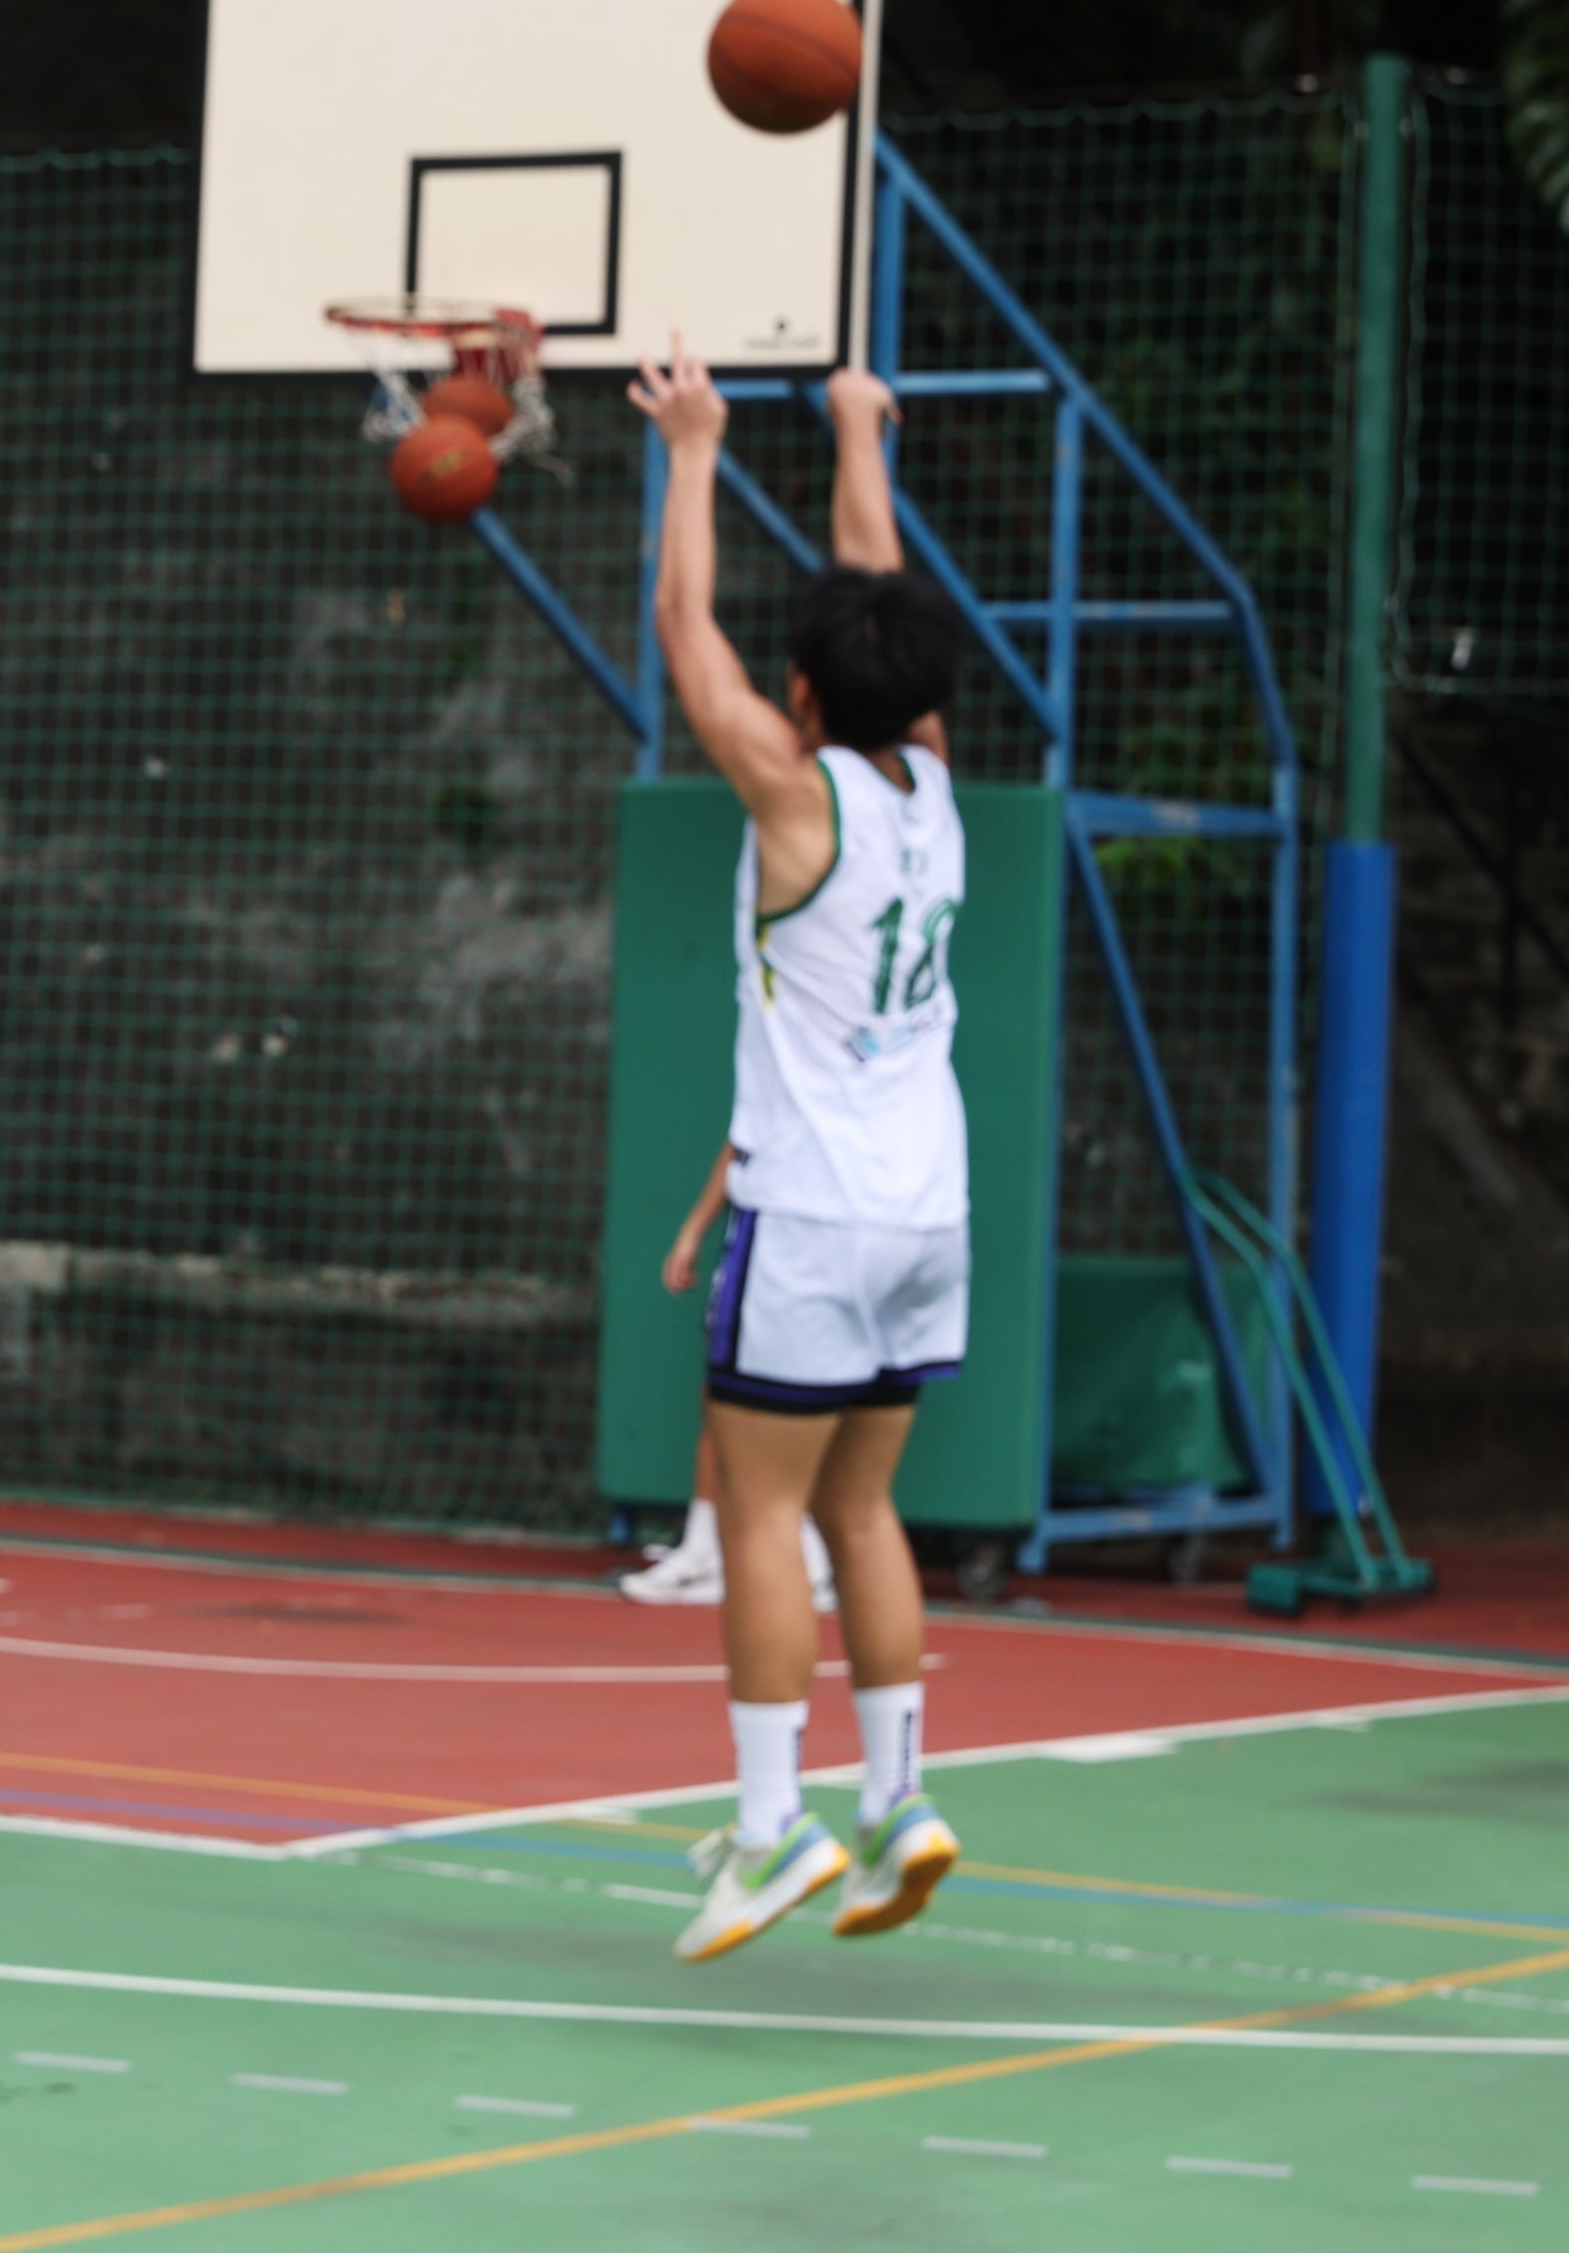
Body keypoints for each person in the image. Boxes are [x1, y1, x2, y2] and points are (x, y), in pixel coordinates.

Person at [628, 346, 967, 1963]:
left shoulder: (795, 795)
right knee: (867, 1512)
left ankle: (772, 1834)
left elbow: (688, 641)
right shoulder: (936, 783)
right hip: (928, 1213)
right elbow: (880, 586)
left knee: (760, 1519)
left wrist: (694, 448)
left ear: (810, 693)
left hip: (814, 1212)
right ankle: (900, 1796)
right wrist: (853, 427)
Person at [619, 1142, 834, 1613]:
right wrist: (693, 1231)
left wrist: (693, 1231)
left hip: (794, 1248)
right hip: (784, 1244)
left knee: (768, 1406)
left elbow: (744, 1139)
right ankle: (711, 1550)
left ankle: (795, 1560)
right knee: (724, 1402)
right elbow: (742, 1139)